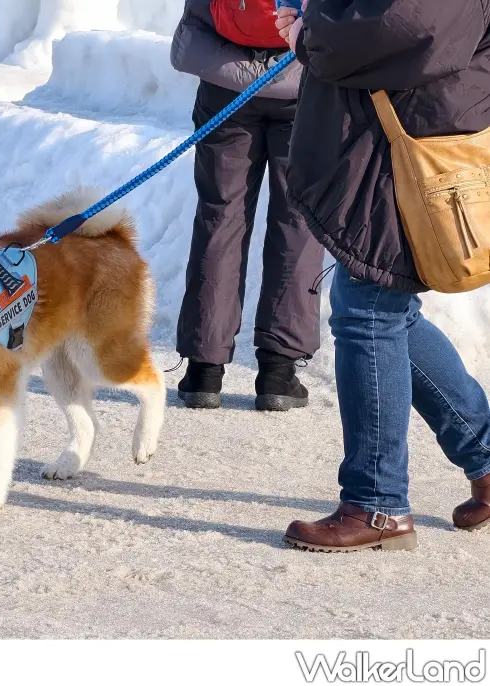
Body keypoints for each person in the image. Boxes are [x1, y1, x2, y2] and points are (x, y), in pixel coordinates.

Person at [276, 0, 490, 551]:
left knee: (370, 308)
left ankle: (377, 505)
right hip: (400, 132)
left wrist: (311, 32)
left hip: (413, 142)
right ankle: (485, 460)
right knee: (378, 304)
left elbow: (410, 23)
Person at [170, 0, 325, 412]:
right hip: (304, 85)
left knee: (220, 218)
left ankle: (204, 368)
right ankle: (278, 371)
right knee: (299, 222)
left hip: (225, 86)